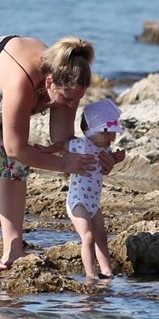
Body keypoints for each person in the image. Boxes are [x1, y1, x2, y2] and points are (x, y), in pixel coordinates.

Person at [0, 35, 122, 273]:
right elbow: (15, 148)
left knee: (16, 167)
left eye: (78, 99)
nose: (72, 106)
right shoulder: (21, 82)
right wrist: (64, 165)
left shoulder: (66, 80)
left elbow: (63, 141)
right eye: (68, 99)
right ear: (49, 83)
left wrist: (100, 157)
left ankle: (14, 249)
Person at [63, 98, 125, 282]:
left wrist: (116, 158)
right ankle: (90, 274)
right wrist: (47, 150)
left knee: (101, 237)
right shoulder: (81, 145)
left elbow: (105, 162)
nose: (112, 138)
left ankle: (106, 270)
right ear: (90, 131)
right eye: (107, 132)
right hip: (78, 202)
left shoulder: (104, 148)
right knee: (88, 237)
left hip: (93, 203)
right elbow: (62, 145)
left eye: (114, 133)